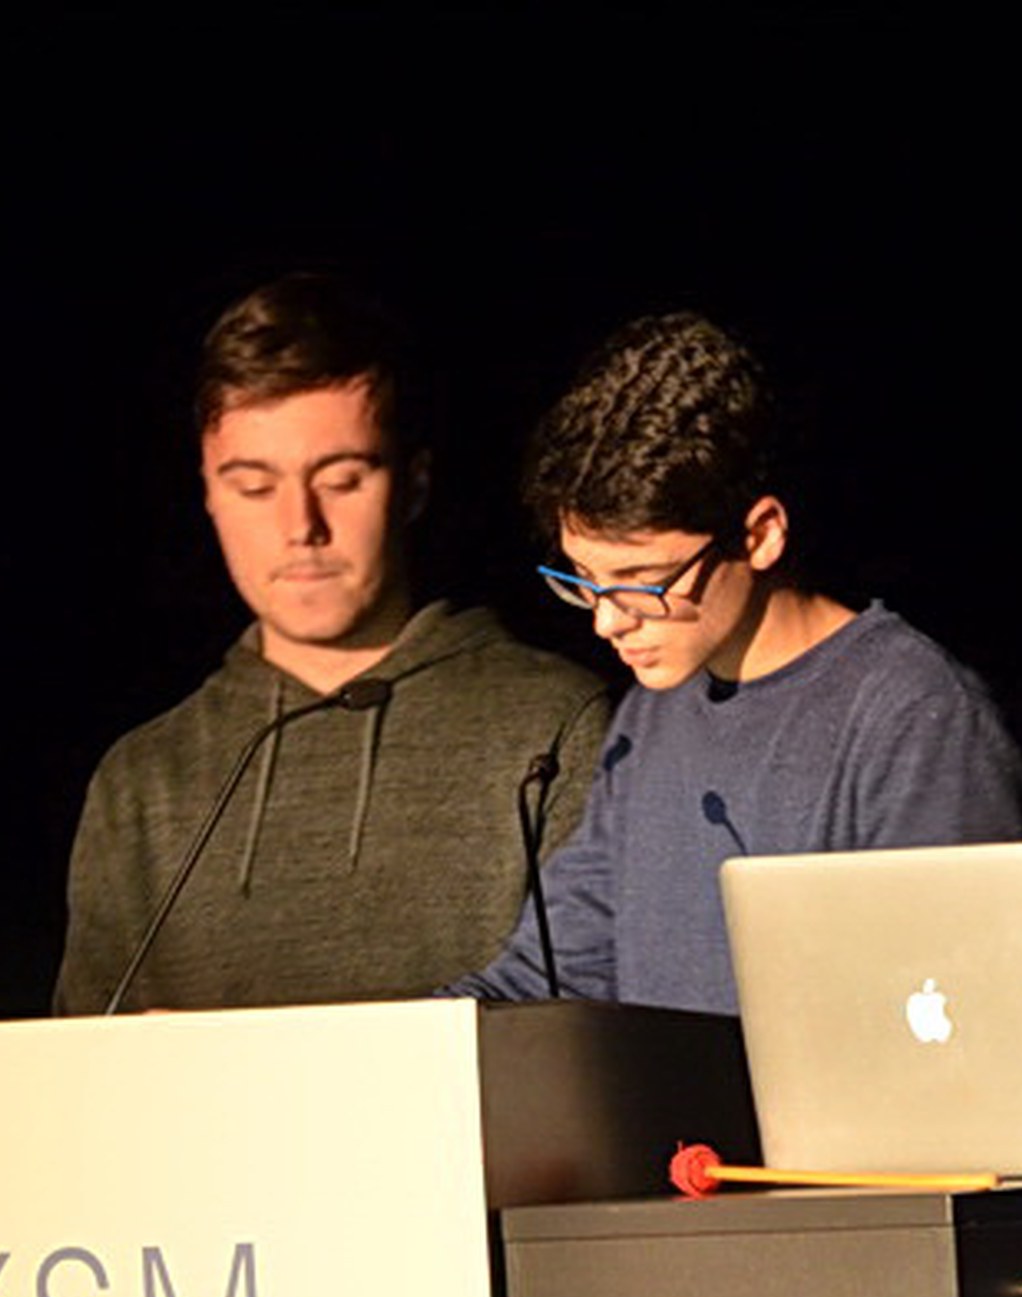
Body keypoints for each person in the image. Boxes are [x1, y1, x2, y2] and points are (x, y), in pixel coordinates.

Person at [53, 275, 614, 1015]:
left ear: (413, 485)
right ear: (208, 493)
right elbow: (85, 1072)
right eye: (255, 487)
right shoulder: (141, 779)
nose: (301, 526)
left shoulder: (555, 728)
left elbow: (596, 1046)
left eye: (342, 480)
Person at [451, 312, 1022, 1014]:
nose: (607, 620)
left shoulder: (910, 715)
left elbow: (944, 1015)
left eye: (641, 582)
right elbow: (554, 971)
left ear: (760, 536)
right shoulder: (650, 715)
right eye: (584, 580)